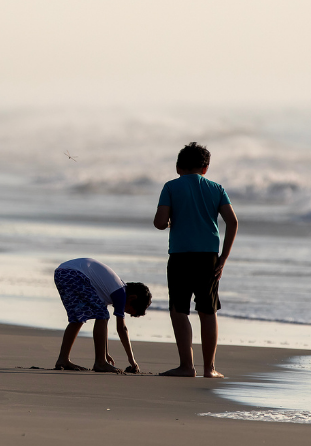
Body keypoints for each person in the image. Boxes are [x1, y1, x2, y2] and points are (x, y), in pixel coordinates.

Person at [154, 142, 238, 378]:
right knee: (208, 311)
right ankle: (209, 369)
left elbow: (160, 222)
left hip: (180, 256)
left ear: (178, 167)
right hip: (208, 257)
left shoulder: (171, 187)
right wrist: (223, 258)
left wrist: (170, 222)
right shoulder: (217, 188)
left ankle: (186, 366)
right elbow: (232, 221)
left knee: (179, 310)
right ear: (206, 168)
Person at [53, 257, 151, 373]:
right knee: (102, 315)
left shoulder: (109, 289)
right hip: (74, 274)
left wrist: (105, 352)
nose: (124, 311)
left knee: (78, 318)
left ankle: (63, 359)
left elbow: (102, 326)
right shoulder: (121, 293)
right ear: (132, 298)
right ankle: (100, 362)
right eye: (128, 310)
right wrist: (131, 359)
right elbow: (122, 328)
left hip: (62, 273)